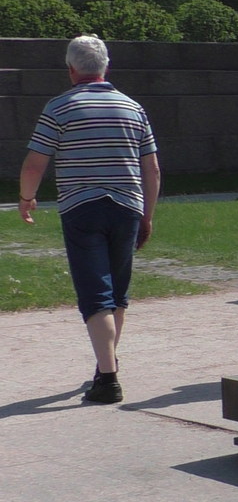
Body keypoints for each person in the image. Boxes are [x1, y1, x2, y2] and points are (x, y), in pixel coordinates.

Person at [17, 35, 160, 403]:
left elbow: (34, 164)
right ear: (106, 67)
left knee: (96, 294)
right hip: (127, 207)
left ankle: (108, 379)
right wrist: (147, 215)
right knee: (118, 293)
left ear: (71, 69)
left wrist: (27, 198)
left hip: (81, 208)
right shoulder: (133, 108)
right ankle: (105, 365)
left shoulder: (59, 107)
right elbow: (152, 169)